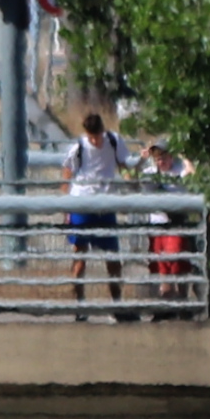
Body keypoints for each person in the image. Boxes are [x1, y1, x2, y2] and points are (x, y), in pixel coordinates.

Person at [62, 103, 131, 313]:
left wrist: (130, 183)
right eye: (91, 136)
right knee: (80, 257)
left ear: (102, 130)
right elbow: (67, 174)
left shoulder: (114, 140)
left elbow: (124, 166)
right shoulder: (79, 147)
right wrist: (66, 207)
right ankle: (79, 306)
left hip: (105, 205)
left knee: (112, 258)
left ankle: (117, 305)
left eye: (97, 135)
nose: (95, 140)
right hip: (82, 205)